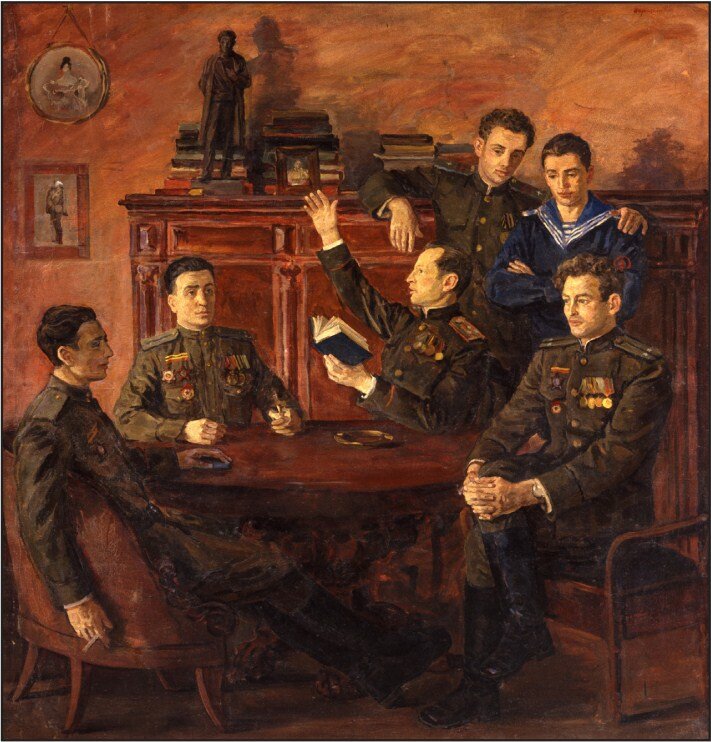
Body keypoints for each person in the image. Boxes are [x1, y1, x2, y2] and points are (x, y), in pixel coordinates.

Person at [14, 305, 452, 709]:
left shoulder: (77, 404)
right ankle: (379, 651)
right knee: (274, 567)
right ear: (66, 355)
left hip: (155, 536)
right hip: (145, 557)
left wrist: (177, 459)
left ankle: (372, 666)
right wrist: (76, 599)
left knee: (263, 584)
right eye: (96, 345)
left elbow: (116, 464)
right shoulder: (48, 424)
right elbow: (39, 522)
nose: (109, 352)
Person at [418, 254, 672, 728]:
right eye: (566, 300)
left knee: (485, 532)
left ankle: (484, 681)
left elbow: (610, 461)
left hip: (606, 514)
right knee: (493, 486)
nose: (570, 311)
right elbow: (510, 422)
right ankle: (521, 631)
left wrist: (524, 493)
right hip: (550, 504)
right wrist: (477, 470)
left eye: (583, 300)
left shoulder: (644, 367)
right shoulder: (553, 354)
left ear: (613, 304)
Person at [359, 108, 648, 383]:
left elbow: (586, 211)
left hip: (505, 336)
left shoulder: (531, 206)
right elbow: (374, 180)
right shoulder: (445, 183)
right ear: (479, 146)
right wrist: (397, 204)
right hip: (447, 325)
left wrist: (637, 214)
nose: (506, 163)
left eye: (516, 155)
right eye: (498, 150)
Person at [304, 190, 507, 433]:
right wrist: (329, 235)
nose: (409, 278)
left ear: (449, 282)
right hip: (389, 434)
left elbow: (438, 420)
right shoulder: (405, 323)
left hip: (433, 448)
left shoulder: (469, 346)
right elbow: (360, 297)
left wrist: (365, 382)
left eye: (420, 272)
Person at [485, 133, 648, 360]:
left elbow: (626, 300)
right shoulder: (531, 225)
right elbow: (497, 286)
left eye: (571, 174)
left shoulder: (617, 227)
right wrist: (569, 292)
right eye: (553, 175)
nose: (562, 185)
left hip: (599, 350)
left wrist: (536, 285)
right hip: (539, 348)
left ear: (589, 173)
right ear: (546, 177)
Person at [114, 256, 302, 444]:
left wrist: (287, 415)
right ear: (173, 303)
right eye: (191, 292)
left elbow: (274, 395)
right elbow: (126, 417)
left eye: (209, 291)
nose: (203, 300)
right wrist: (182, 431)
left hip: (241, 451)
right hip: (183, 454)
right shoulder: (155, 353)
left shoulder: (239, 346)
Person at [198, 30, 251, 181]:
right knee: (211, 137)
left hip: (231, 105)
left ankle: (225, 173)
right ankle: (206, 173)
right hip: (215, 105)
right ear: (219, 43)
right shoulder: (212, 61)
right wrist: (211, 93)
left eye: (229, 42)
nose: (226, 45)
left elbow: (247, 82)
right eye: (223, 41)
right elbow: (202, 82)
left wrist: (235, 77)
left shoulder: (238, 61)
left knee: (229, 138)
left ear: (233, 43)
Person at [45, 180, 67, 244]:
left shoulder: (62, 194)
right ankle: (56, 239)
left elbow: (64, 202)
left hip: (58, 210)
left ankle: (60, 239)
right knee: (54, 223)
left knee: (57, 223)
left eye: (60, 187)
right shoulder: (52, 192)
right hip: (53, 210)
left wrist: (61, 209)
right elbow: (49, 200)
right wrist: (52, 206)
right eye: (58, 187)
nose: (59, 188)